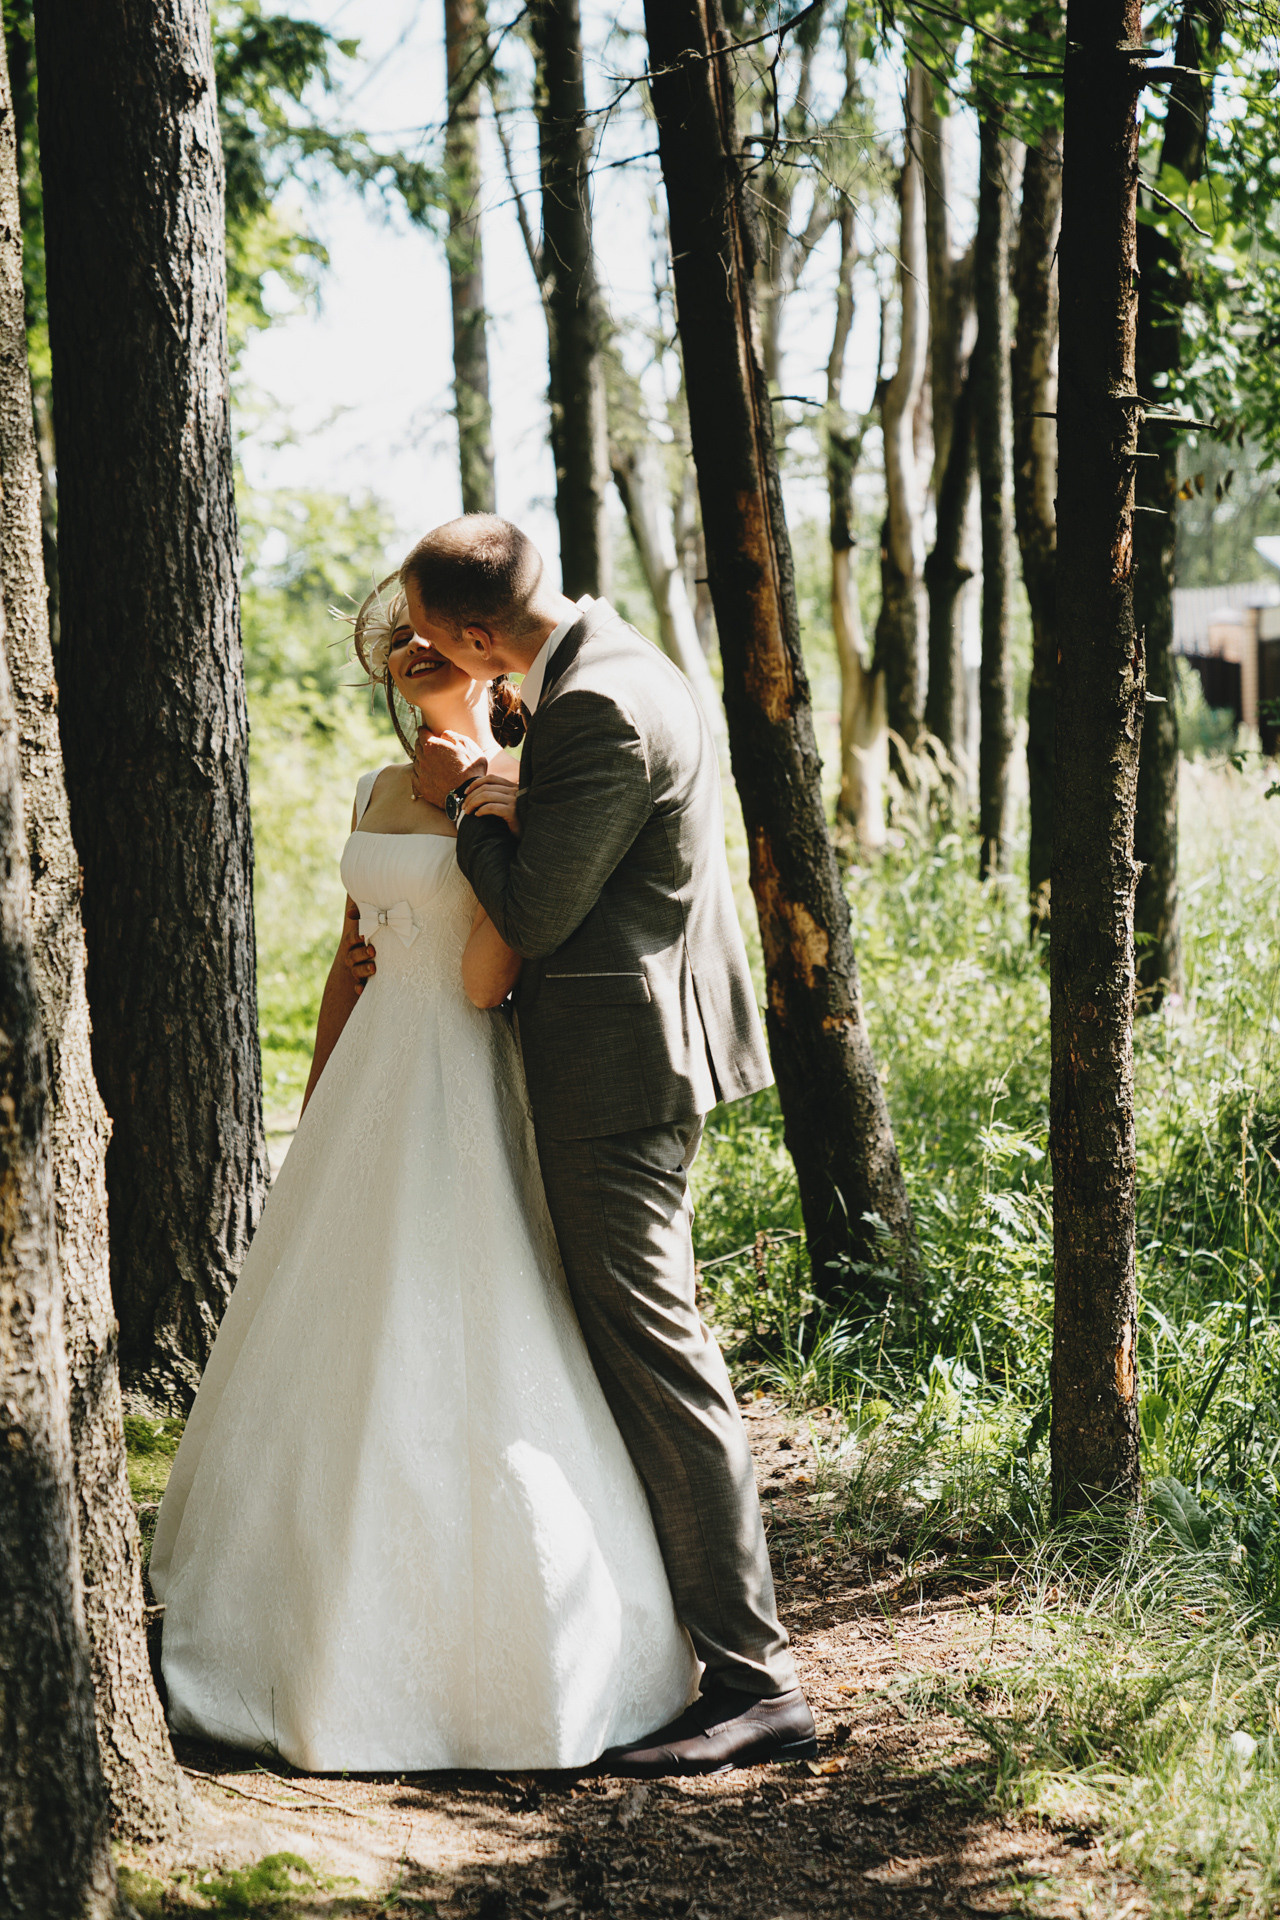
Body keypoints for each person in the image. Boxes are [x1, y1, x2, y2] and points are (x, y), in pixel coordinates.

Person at [148, 577, 699, 1773]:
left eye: (428, 638)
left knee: (472, 1324)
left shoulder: (519, 783)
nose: (408, 653)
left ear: (480, 656)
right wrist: (314, 1099)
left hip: (466, 1068)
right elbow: (350, 957)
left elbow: (486, 975)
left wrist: (473, 812)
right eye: (395, 641)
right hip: (367, 1088)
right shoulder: (370, 788)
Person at [360, 513, 817, 1776]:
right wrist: (500, 753)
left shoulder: (598, 709)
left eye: (432, 636)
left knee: (658, 1354)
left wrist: (462, 801)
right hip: (635, 1052)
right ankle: (697, 1639)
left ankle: (754, 1677)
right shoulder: (611, 662)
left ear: (463, 630)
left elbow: (537, 907)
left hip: (616, 1070)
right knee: (635, 1340)